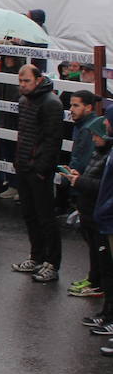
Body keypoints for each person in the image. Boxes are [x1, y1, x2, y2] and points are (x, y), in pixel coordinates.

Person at [11, 63, 64, 282]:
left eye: (27, 81)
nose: (23, 86)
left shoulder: (51, 103)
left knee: (46, 217)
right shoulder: (25, 101)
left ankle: (52, 263)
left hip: (39, 170)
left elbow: (53, 140)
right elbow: (23, 134)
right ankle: (37, 256)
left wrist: (41, 169)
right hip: (24, 166)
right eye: (20, 81)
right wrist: (19, 162)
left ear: (38, 80)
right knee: (29, 215)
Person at [66, 93, 107, 299]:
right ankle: (93, 278)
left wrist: (78, 180)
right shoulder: (89, 136)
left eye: (76, 105)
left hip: (94, 203)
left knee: (98, 246)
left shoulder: (102, 150)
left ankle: (98, 283)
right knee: (92, 243)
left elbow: (100, 183)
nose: (71, 109)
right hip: (86, 198)